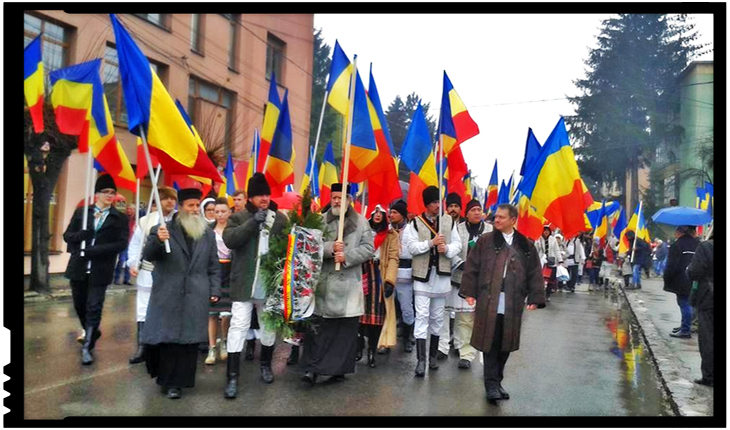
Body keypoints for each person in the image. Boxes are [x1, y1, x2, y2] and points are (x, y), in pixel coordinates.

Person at [459, 204, 545, 404]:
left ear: (513, 220)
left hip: (513, 300)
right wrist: (469, 292)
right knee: (490, 341)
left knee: (505, 343)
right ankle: (490, 385)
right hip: (490, 298)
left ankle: (497, 381)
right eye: (495, 217)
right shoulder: (486, 241)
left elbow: (534, 272)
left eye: (501, 217)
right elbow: (472, 266)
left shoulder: (525, 244)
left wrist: (535, 297)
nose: (496, 220)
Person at [141, 188, 221, 399]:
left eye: (197, 205)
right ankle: (168, 381)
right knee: (169, 339)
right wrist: (157, 240)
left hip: (196, 293)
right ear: (181, 207)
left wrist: (214, 289)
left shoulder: (208, 234)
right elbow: (148, 256)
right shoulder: (163, 229)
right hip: (168, 293)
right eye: (190, 205)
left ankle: (182, 381)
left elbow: (213, 265)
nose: (195, 210)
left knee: (189, 341)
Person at [300, 183, 374, 385]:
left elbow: (369, 248)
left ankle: (338, 369)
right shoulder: (321, 220)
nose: (336, 201)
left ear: (349, 200)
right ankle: (312, 370)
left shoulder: (361, 222)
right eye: (334, 197)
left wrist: (347, 256)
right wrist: (330, 248)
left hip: (348, 286)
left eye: (341, 197)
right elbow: (311, 246)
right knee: (318, 330)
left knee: (343, 333)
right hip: (324, 285)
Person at [222, 173, 288, 398]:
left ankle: (266, 365)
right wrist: (253, 222)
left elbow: (287, 247)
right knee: (238, 326)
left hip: (268, 284)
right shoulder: (239, 217)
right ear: (250, 197)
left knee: (268, 327)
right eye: (260, 194)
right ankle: (232, 377)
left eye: (267, 194)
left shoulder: (279, 219)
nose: (265, 198)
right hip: (244, 284)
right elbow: (230, 240)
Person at [63, 174, 130, 365]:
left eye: (112, 193)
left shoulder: (119, 218)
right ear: (97, 194)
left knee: (94, 306)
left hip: (101, 268)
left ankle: (87, 346)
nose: (109, 195)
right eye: (105, 192)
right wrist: (79, 236)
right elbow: (67, 235)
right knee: (80, 305)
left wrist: (96, 250)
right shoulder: (82, 213)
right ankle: (93, 330)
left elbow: (121, 243)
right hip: (79, 266)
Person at [403, 185, 462, 377]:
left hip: (442, 276)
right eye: (434, 202)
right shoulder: (415, 223)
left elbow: (458, 244)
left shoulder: (448, 222)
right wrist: (430, 244)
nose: (438, 205)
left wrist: (448, 250)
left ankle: (433, 356)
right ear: (427, 204)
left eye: (439, 201)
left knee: (437, 316)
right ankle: (421, 361)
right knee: (421, 316)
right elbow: (410, 247)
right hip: (422, 277)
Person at [126, 186, 178, 364]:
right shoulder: (145, 221)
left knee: (169, 310)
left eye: (172, 198)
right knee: (143, 310)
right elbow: (136, 245)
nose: (170, 201)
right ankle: (142, 347)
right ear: (158, 201)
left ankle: (164, 347)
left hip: (172, 273)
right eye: (166, 198)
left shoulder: (181, 220)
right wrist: (133, 263)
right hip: (148, 272)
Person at [448, 199, 493, 369]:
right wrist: (460, 263)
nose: (476, 212)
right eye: (473, 209)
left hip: (484, 280)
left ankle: (482, 352)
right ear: (466, 213)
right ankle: (465, 354)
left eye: (479, 209)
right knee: (464, 317)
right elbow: (451, 249)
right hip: (463, 278)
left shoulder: (490, 230)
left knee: (481, 318)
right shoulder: (457, 229)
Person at [357, 205, 399, 367]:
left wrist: (390, 281)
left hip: (380, 277)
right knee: (359, 314)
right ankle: (359, 346)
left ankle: (372, 351)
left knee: (377, 318)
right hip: (362, 274)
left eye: (381, 212)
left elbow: (394, 258)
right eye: (375, 211)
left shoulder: (390, 235)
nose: (378, 215)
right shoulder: (363, 231)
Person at [205, 198, 234, 365]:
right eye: (217, 211)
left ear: (229, 212)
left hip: (229, 272)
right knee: (212, 313)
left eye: (223, 211)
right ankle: (211, 347)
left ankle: (224, 342)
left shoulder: (232, 230)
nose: (220, 214)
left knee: (226, 314)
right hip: (213, 272)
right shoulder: (208, 230)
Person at [663, 226, 700, 339]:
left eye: (676, 231)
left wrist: (667, 278)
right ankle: (685, 325)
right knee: (691, 303)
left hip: (681, 279)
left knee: (684, 304)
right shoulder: (699, 244)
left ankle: (685, 330)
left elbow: (671, 265)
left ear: (680, 232)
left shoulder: (677, 245)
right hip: (695, 278)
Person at [687, 232, 714, 386]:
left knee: (708, 337)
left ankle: (709, 376)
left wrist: (689, 270)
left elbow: (695, 271)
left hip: (709, 298)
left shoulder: (706, 247)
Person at [389, 200, 416, 353]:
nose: (391, 215)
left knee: (407, 309)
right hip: (388, 275)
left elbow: (412, 251)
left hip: (405, 276)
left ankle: (407, 338)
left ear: (402, 215)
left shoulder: (411, 230)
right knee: (388, 309)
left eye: (395, 212)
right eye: (391, 212)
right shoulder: (386, 229)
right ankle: (386, 340)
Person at [439, 192, 463, 357]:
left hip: (463, 275)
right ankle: (442, 346)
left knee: (460, 312)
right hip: (444, 273)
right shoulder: (441, 225)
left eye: (456, 206)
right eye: (451, 206)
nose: (453, 209)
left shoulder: (464, 227)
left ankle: (458, 342)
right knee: (443, 311)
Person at [534, 226, 563, 301]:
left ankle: (548, 294)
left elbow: (557, 250)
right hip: (541, 261)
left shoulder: (553, 239)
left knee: (550, 279)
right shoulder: (539, 239)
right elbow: (536, 250)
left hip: (551, 261)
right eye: (544, 231)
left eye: (547, 231)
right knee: (540, 278)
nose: (546, 232)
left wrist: (560, 260)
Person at [114, 204, 137, 285]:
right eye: (128, 209)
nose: (129, 210)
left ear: (134, 210)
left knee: (129, 261)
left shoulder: (136, 220)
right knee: (121, 260)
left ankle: (126, 279)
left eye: (131, 209)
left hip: (131, 242)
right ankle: (116, 278)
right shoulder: (123, 218)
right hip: (124, 242)